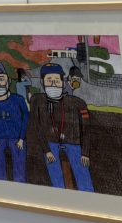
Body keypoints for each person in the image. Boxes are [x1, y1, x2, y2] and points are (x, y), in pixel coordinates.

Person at [29, 63, 94, 192]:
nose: (53, 84)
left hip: (73, 143)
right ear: (42, 82)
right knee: (56, 178)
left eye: (57, 80)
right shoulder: (37, 100)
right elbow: (37, 126)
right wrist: (46, 150)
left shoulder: (78, 103)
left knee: (83, 175)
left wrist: (85, 152)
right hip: (50, 143)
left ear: (63, 83)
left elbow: (86, 129)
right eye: (49, 80)